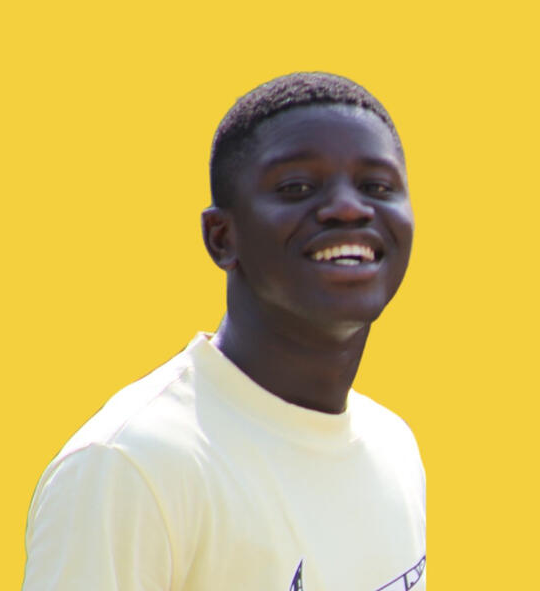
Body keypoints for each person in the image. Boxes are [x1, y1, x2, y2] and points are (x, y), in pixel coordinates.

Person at [22, 72, 426, 591]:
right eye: (297, 187)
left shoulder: (394, 447)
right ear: (221, 237)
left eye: (377, 187)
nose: (349, 208)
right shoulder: (129, 468)